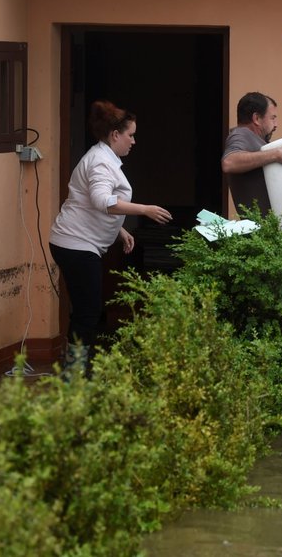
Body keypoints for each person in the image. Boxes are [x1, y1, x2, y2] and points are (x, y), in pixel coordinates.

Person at [50, 100, 172, 375]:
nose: (134, 141)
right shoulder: (101, 162)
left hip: (77, 242)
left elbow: (88, 202)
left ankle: (75, 371)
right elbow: (102, 200)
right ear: (115, 135)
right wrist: (144, 209)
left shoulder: (104, 158)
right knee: (88, 311)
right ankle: (74, 375)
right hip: (76, 244)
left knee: (86, 308)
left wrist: (120, 230)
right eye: (130, 135)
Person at [221, 91, 282, 216]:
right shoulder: (240, 135)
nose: (276, 124)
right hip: (262, 230)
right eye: (272, 118)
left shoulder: (255, 138)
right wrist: (277, 154)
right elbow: (229, 162)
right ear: (256, 118)